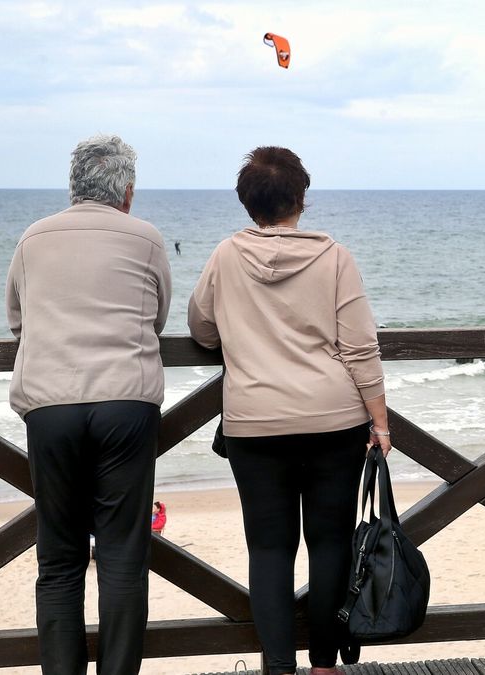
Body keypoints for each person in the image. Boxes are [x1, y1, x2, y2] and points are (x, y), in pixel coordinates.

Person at [188, 146, 388, 675]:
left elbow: (202, 329)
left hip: (254, 424)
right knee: (330, 546)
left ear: (246, 202)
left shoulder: (226, 256)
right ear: (302, 198)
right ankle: (324, 666)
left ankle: (279, 668)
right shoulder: (335, 257)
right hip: (333, 421)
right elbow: (360, 347)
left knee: (269, 550)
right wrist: (381, 420)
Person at [6, 134, 171, 675]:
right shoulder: (146, 238)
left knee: (58, 557)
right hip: (126, 403)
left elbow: (17, 319)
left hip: (52, 406)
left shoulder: (34, 239)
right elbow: (159, 315)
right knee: (123, 556)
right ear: (126, 191)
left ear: (73, 186)